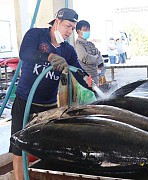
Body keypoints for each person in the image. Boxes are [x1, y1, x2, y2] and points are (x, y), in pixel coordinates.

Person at [9, 8, 93, 179]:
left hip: (48, 106)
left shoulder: (68, 50)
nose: (70, 32)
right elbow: (25, 53)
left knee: (46, 146)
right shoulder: (36, 35)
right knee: (19, 148)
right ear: (57, 22)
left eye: (72, 28)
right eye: (67, 26)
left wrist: (91, 84)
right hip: (25, 101)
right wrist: (49, 57)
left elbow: (78, 71)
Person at [75, 20, 105, 84]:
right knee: (90, 92)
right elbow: (86, 58)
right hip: (86, 76)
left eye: (88, 30)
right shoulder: (78, 45)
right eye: (85, 30)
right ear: (78, 31)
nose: (88, 32)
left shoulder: (90, 44)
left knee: (96, 92)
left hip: (95, 75)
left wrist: (99, 64)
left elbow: (99, 54)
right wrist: (95, 57)